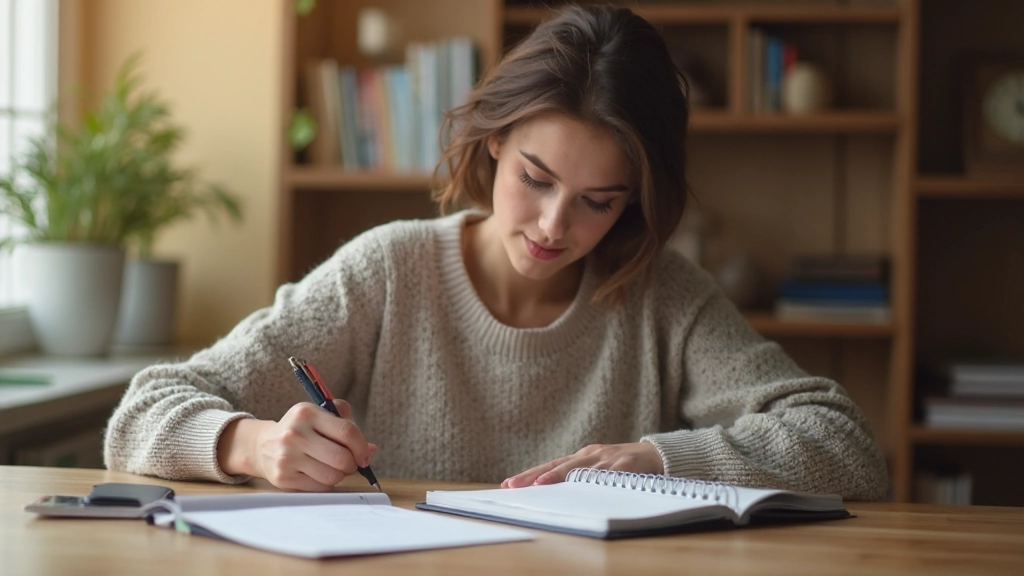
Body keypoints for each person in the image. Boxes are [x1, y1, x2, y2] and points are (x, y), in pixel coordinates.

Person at [104, 5, 888, 500]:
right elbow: (143, 411)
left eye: (599, 202)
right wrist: (253, 444)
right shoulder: (387, 271)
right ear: (494, 143)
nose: (552, 225)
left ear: (636, 205)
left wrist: (660, 459)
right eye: (535, 179)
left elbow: (845, 446)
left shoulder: (662, 295)